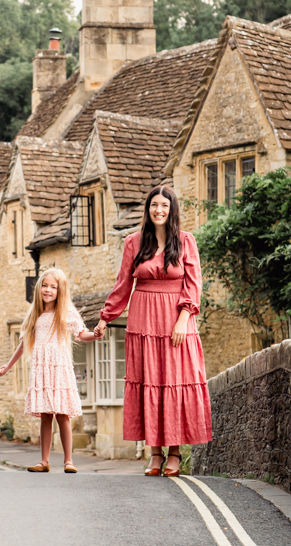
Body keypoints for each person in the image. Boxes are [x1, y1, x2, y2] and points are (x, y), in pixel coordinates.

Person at [94, 185, 212, 477]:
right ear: (148, 210)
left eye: (164, 206)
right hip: (143, 320)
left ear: (172, 210)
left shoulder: (186, 241)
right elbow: (123, 284)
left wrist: (184, 318)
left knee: (174, 381)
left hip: (176, 320)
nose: (159, 210)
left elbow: (194, 285)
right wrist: (104, 318)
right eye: (154, 205)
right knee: (149, 383)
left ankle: (175, 453)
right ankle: (155, 454)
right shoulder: (133, 242)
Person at [0, 268, 102, 473]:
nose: (48, 290)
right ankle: (44, 461)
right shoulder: (35, 314)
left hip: (59, 368)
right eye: (44, 285)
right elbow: (24, 344)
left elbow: (82, 333)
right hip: (41, 370)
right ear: (38, 288)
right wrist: (8, 366)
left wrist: (95, 335)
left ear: (60, 290)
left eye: (53, 287)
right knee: (45, 415)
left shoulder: (66, 312)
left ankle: (68, 461)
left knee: (62, 415)